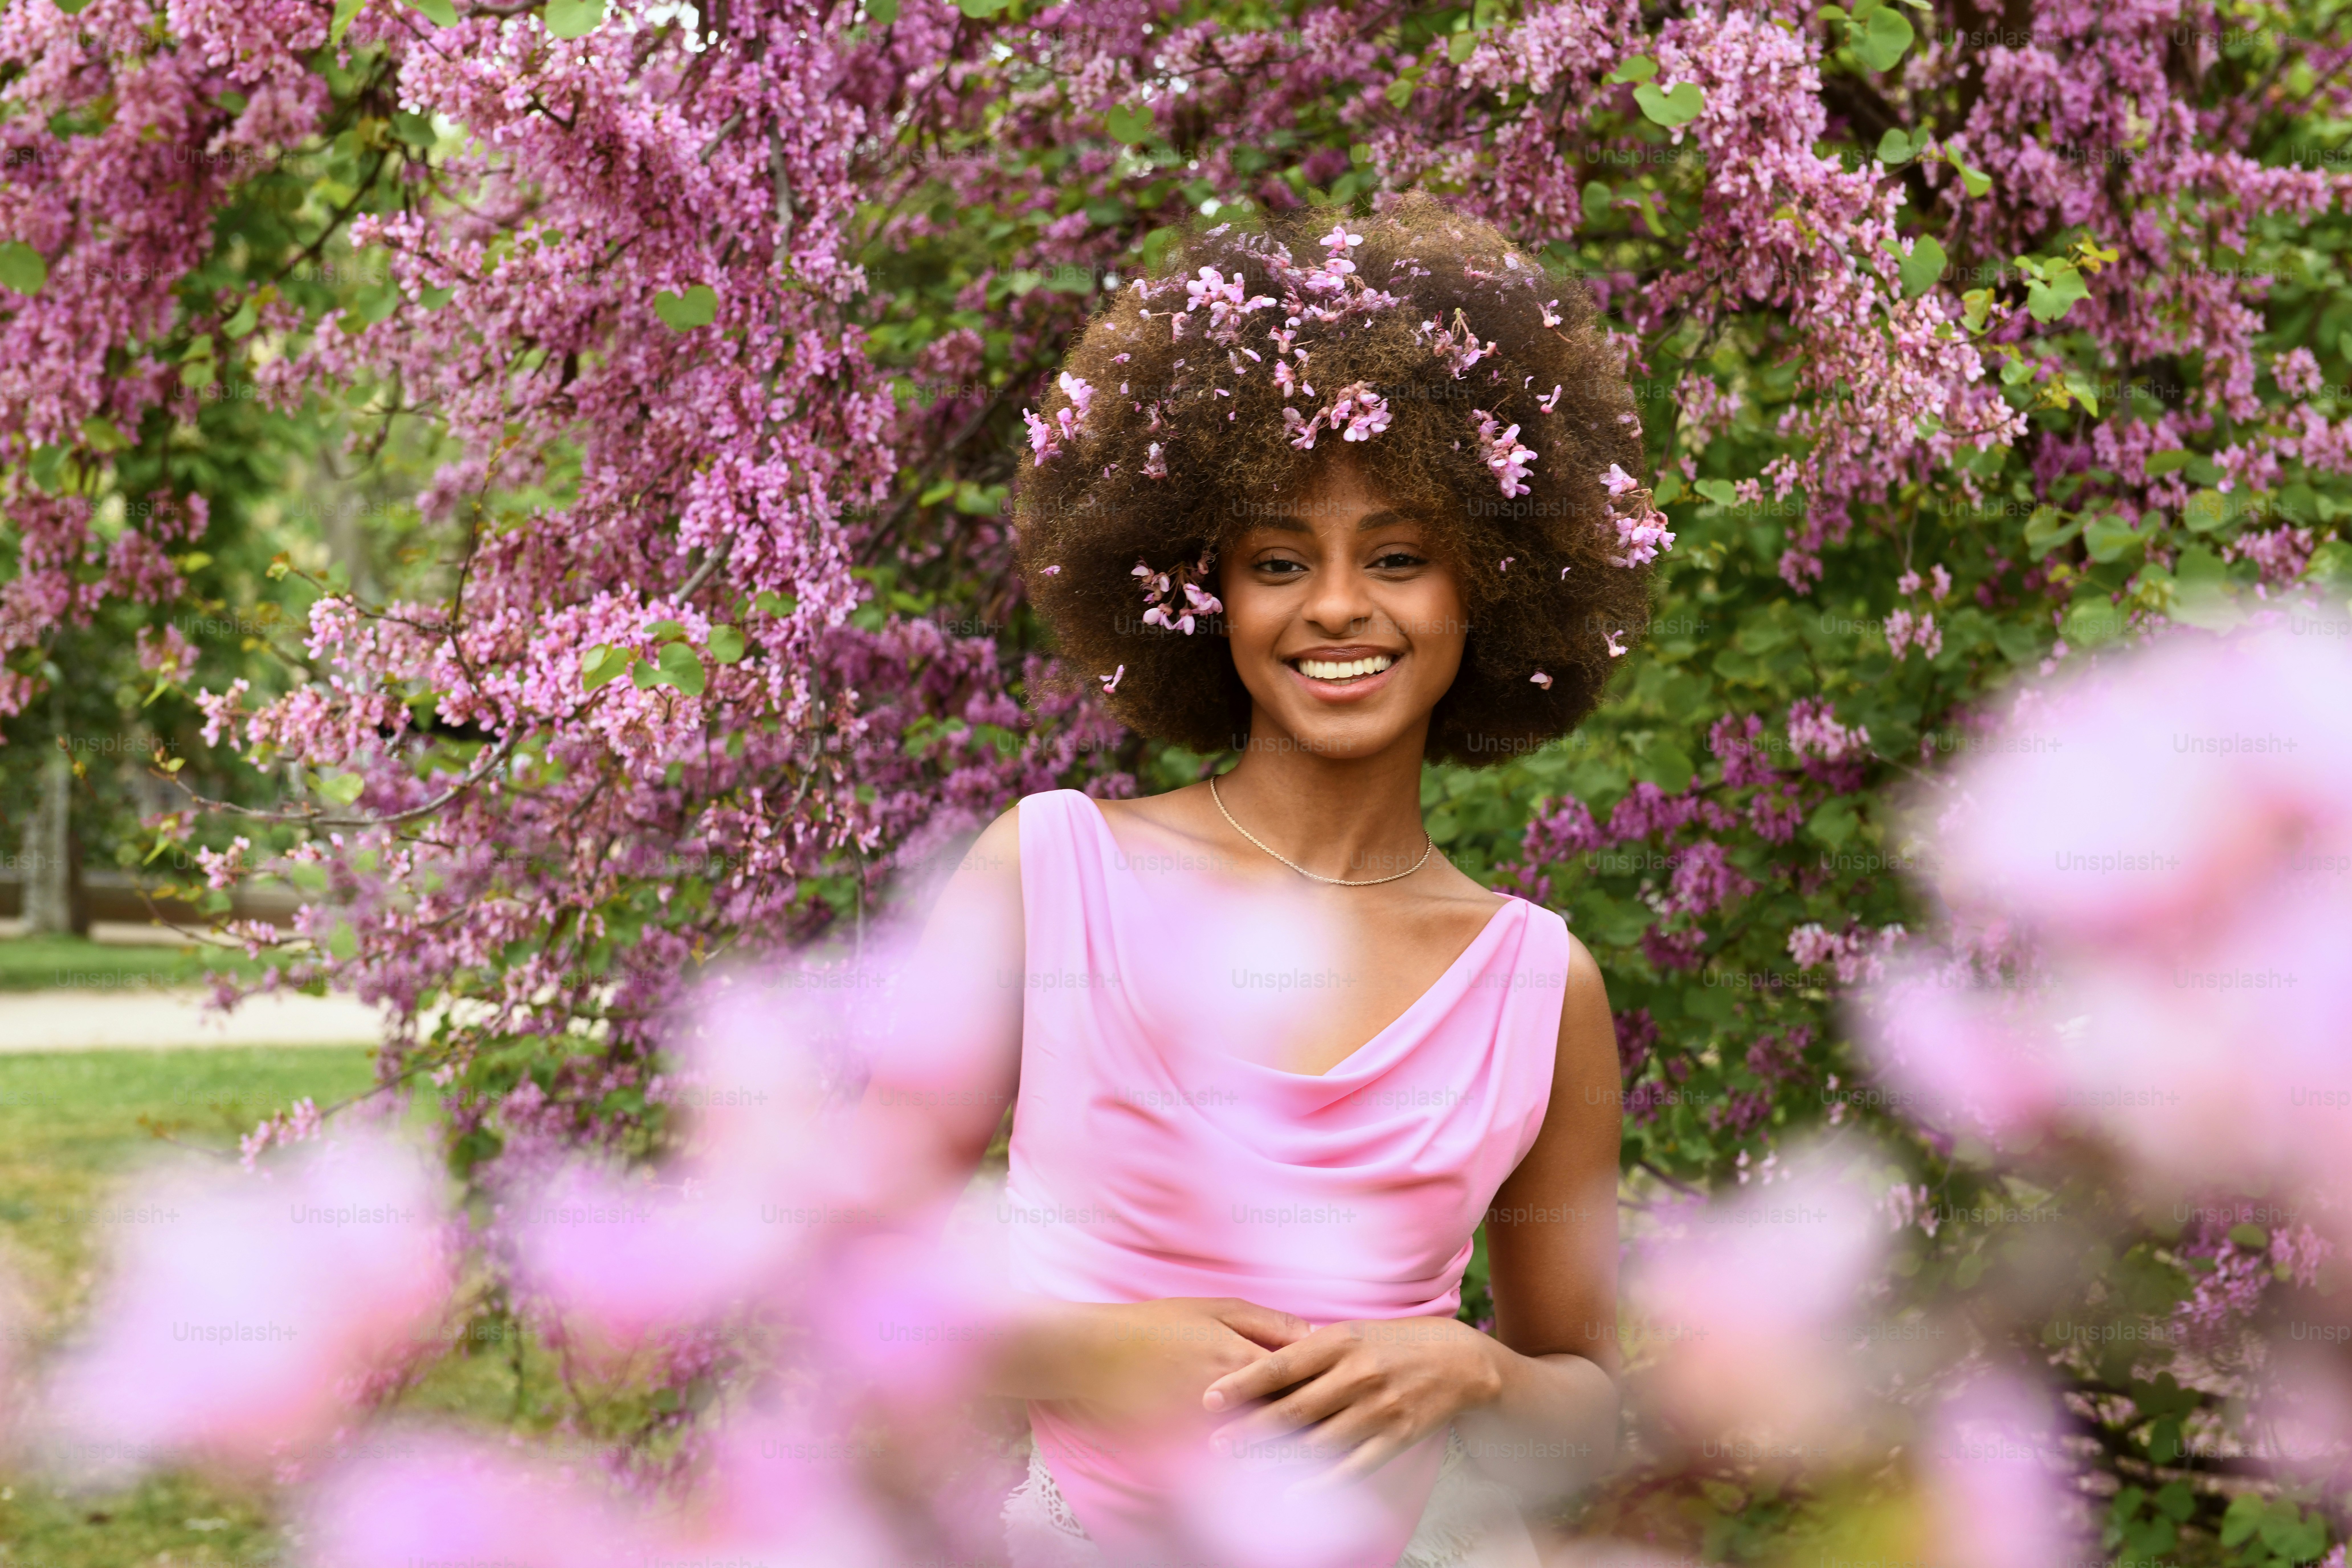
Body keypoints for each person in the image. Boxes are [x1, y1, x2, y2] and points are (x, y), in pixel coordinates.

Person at [897, 194, 1670, 1568]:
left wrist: (1474, 1369)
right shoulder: (1051, 875)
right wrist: (1087, 1341)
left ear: (1483, 587)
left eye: (1396, 555)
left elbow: (1587, 1408)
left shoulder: (1540, 985)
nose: (1334, 607)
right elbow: (841, 1274)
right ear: (1205, 591)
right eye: (1276, 560)